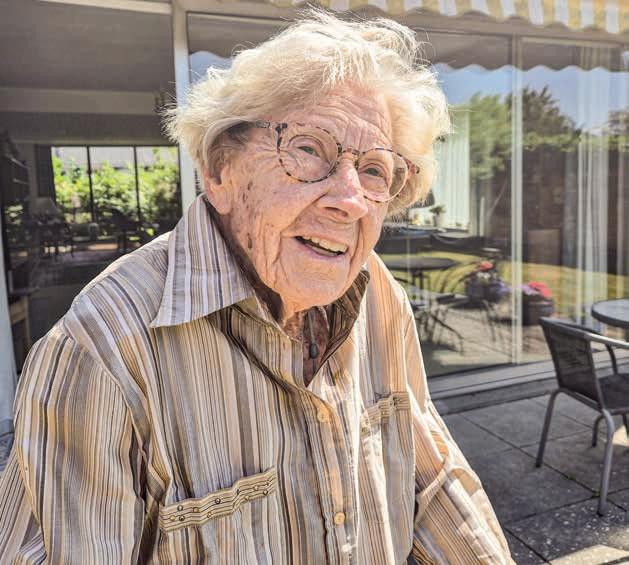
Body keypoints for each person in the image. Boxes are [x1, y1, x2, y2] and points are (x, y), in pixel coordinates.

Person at [0, 11, 514, 564]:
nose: (350, 199)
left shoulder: (377, 292)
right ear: (220, 171)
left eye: (374, 170)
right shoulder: (99, 351)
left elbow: (430, 474)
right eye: (309, 149)